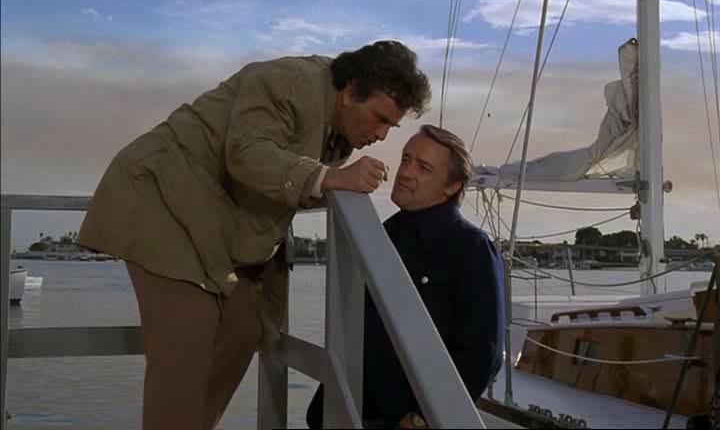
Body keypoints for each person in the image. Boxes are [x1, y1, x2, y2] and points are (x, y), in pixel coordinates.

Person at [76, 40, 431, 430]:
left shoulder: (339, 131)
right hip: (161, 201)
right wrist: (329, 177)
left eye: (391, 126)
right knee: (187, 344)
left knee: (244, 328)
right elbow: (247, 154)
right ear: (349, 93)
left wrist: (328, 179)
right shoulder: (289, 82)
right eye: (379, 119)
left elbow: (286, 182)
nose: (381, 135)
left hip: (213, 224)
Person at [306, 124, 505, 429]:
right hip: (349, 408)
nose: (406, 172)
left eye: (424, 168)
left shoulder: (472, 248)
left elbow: (482, 356)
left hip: (406, 420)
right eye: (406, 159)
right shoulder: (380, 233)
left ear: (452, 186)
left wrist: (423, 419)